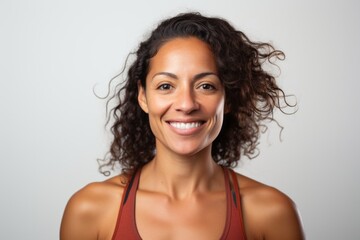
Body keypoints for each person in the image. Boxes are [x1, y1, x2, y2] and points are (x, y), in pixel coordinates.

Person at [60, 12, 304, 240]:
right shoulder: (90, 210)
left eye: (206, 86)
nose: (186, 104)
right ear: (143, 96)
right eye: (166, 86)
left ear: (227, 99)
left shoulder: (271, 213)